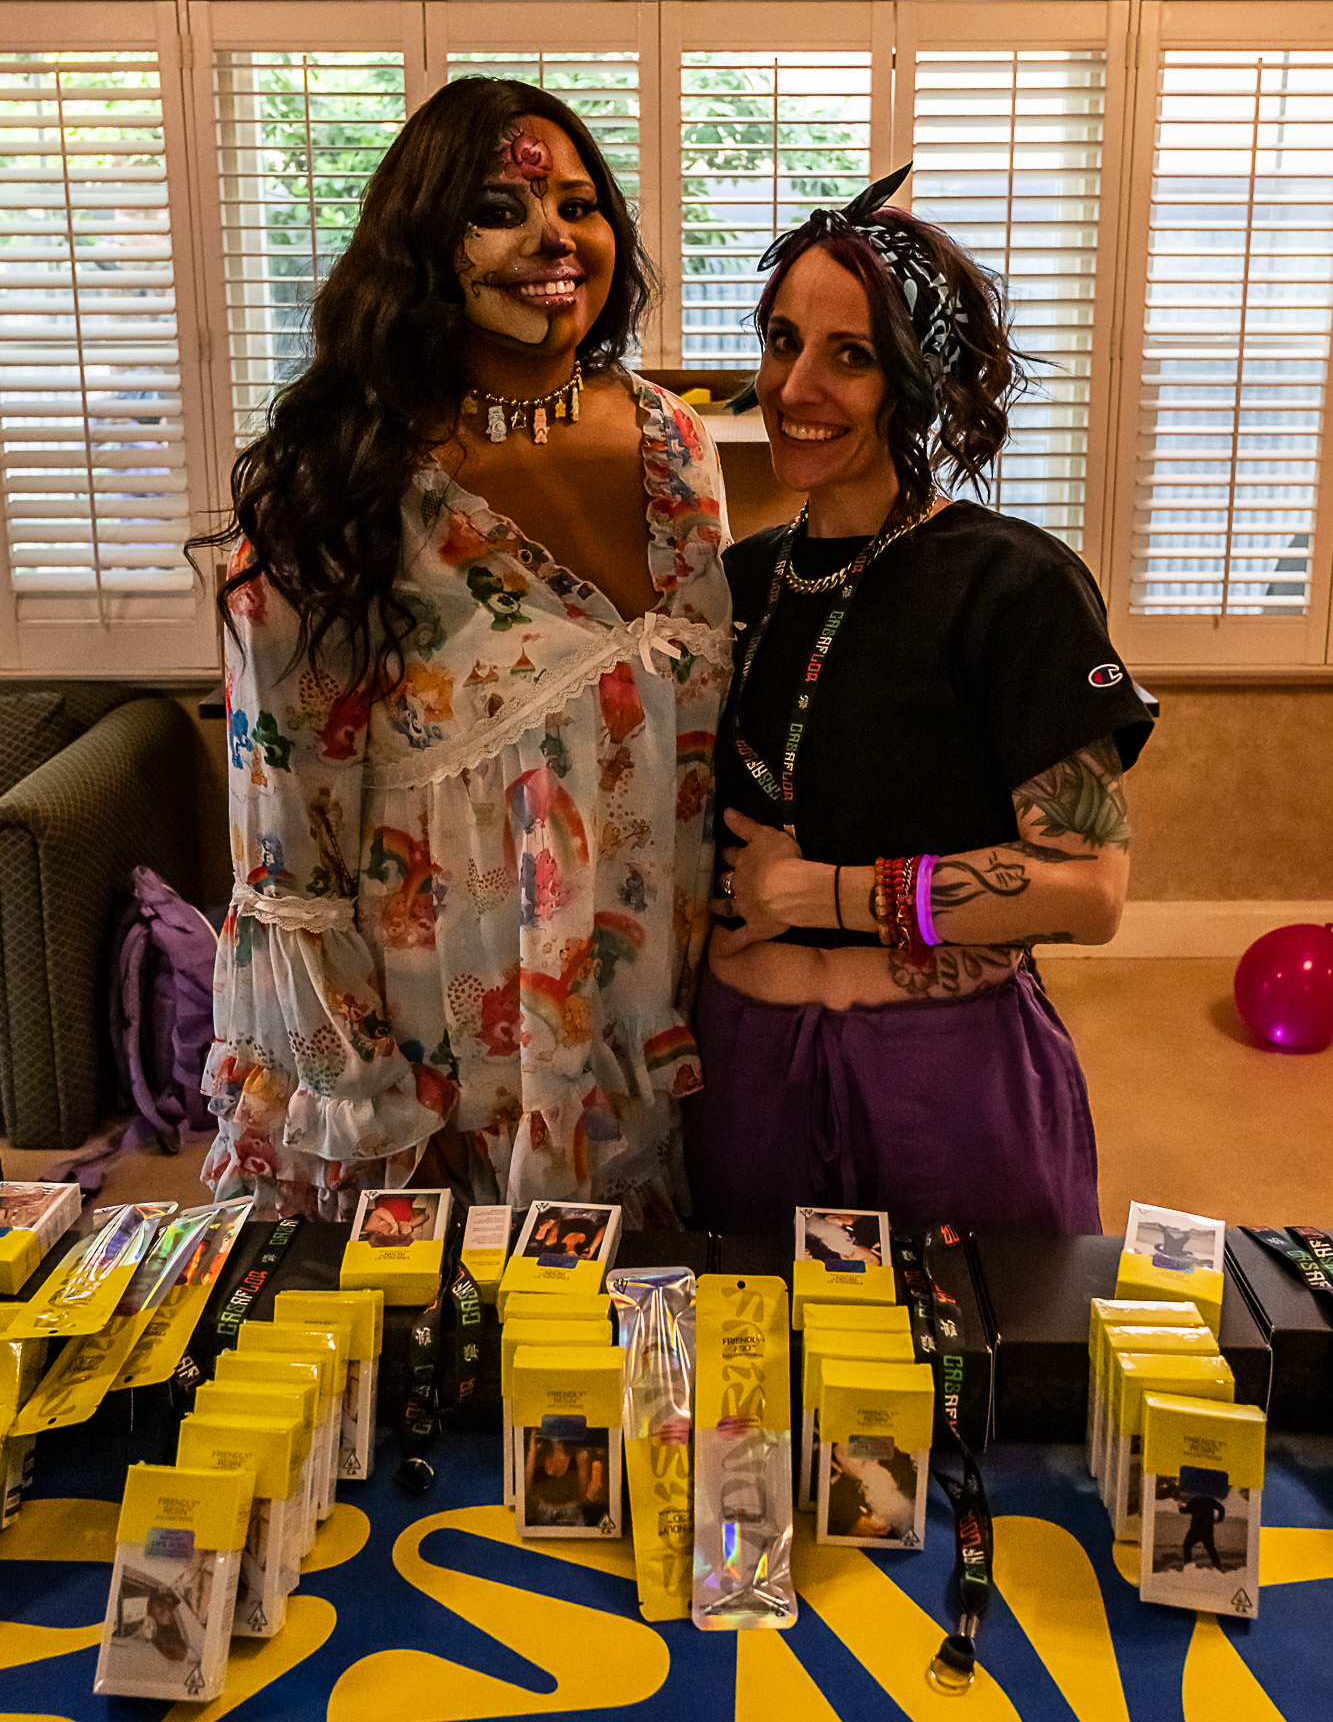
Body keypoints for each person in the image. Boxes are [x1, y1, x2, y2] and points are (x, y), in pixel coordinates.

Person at [197, 77, 730, 1224]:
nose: (555, 236)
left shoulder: (676, 444)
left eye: (580, 204)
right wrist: (350, 1075)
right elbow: (285, 818)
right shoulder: (333, 479)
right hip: (437, 1035)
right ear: (418, 243)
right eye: (499, 208)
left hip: (643, 1011)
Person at [685, 168, 1154, 1236]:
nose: (795, 386)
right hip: (746, 1072)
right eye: (781, 341)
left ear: (921, 375)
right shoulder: (733, 582)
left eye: (850, 355)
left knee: (986, 1338)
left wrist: (818, 892)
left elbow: (1088, 892)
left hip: (945, 1080)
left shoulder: (1011, 583)